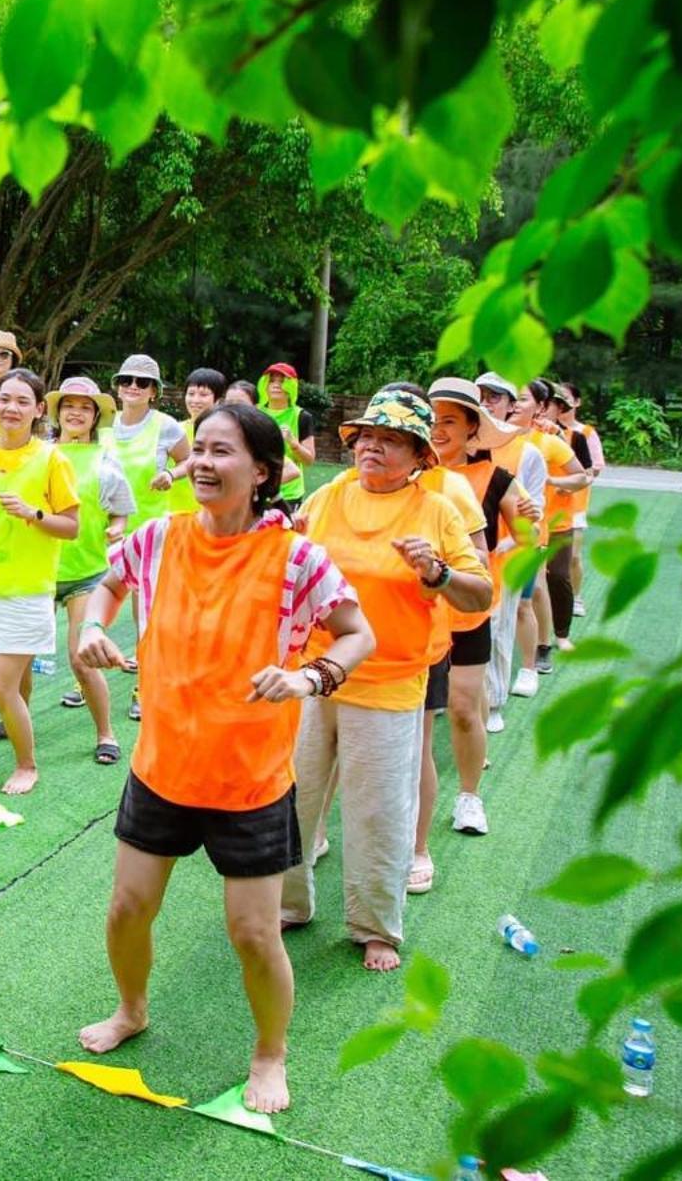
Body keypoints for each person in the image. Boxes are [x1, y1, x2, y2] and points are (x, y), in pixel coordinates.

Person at [74, 402, 373, 1116]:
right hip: (161, 770)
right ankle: (131, 1009)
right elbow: (106, 586)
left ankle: (270, 1053)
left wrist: (310, 677)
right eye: (198, 450)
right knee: (127, 909)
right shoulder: (157, 537)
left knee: (253, 934)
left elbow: (356, 634)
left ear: (262, 472)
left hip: (250, 782)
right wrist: (91, 626)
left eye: (222, 452)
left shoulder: (297, 555)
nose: (202, 462)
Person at [279, 388, 490, 972]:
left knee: (377, 810)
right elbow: (292, 560)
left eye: (390, 438)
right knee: (294, 794)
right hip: (317, 672)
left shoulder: (437, 510)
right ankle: (289, 903)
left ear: (419, 455)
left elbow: (481, 591)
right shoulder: (327, 497)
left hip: (392, 681)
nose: (372, 445)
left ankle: (375, 928)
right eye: (366, 436)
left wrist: (438, 571)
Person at [410, 380, 518, 888]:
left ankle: (469, 795)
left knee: (461, 706)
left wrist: (484, 559)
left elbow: (517, 536)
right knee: (419, 720)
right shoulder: (404, 472)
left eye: (450, 421)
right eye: (433, 418)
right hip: (414, 616)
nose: (439, 429)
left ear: (472, 429)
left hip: (466, 610)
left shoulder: (493, 478)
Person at [0, 368, 79, 796]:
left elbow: (71, 527)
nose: (12, 408)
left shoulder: (52, 459)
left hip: (25, 591)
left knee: (3, 684)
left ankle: (27, 764)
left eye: (23, 401)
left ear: (39, 410)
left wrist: (34, 514)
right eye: (5, 399)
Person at [46, 377, 136, 761]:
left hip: (86, 573)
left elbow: (120, 511)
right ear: (57, 412)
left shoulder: (105, 459)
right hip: (38, 572)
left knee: (80, 656)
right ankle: (11, 721)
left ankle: (106, 734)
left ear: (95, 416)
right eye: (70, 406)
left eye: (85, 408)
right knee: (16, 658)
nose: (76, 413)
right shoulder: (41, 454)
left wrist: (116, 528)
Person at [109, 354, 190, 722]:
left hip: (151, 534)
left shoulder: (167, 427)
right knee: (95, 608)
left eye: (142, 383)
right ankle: (85, 679)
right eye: (127, 380)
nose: (133, 388)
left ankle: (146, 685)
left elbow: (192, 460)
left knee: (146, 613)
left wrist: (172, 476)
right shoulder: (104, 426)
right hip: (107, 530)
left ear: (154, 392)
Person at [475, 372, 556, 712]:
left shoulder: (528, 453)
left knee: (509, 619)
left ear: (510, 406)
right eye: (482, 394)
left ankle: (519, 676)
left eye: (496, 396)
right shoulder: (467, 443)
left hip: (511, 552)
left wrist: (509, 542)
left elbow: (532, 510)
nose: (487, 401)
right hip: (471, 553)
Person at [524, 379, 593, 663]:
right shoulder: (503, 433)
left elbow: (585, 473)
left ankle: (558, 637)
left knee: (557, 578)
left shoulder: (567, 437)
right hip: (520, 522)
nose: (554, 411)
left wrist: (554, 481)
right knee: (532, 587)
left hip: (558, 518)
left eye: (557, 406)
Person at [549, 382, 603, 617]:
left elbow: (592, 470)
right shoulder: (545, 432)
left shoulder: (584, 434)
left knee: (573, 556)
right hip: (547, 506)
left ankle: (576, 597)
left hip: (574, 505)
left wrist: (569, 485)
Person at [164, 368, 228, 515]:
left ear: (218, 400)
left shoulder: (226, 433)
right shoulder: (173, 430)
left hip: (211, 514)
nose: (195, 400)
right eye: (191, 394)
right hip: (173, 513)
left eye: (203, 395)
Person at [258, 363, 317, 510]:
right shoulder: (254, 412)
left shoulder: (302, 416)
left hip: (289, 494)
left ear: (291, 386)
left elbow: (309, 460)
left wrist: (293, 443)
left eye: (282, 381)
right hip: (257, 489)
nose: (276, 385)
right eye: (272, 381)